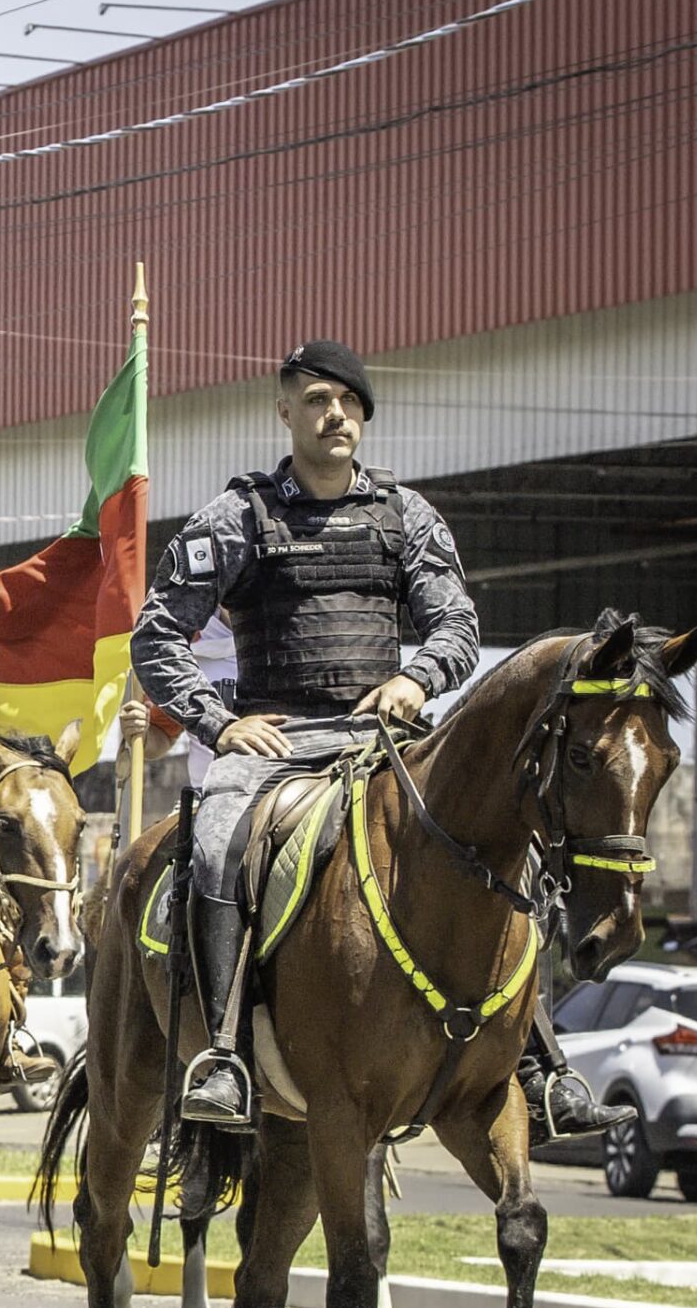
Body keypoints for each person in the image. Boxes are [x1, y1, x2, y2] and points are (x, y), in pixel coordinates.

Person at [132, 340, 609, 1140]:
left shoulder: (405, 516)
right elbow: (156, 636)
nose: (335, 414)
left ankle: (539, 1059)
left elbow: (457, 622)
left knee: (515, 848)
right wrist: (220, 723)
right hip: (274, 750)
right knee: (214, 844)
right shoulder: (239, 517)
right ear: (285, 412)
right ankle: (220, 1052)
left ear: (364, 416)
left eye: (349, 402)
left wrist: (418, 678)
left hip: (387, 743)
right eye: (317, 400)